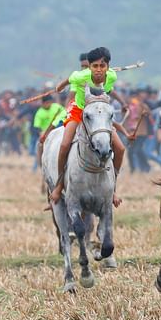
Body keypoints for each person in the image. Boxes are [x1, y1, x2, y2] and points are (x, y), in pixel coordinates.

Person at [49, 47, 133, 208]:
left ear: (108, 66)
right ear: (89, 67)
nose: (99, 70)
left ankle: (113, 188)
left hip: (98, 113)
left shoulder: (112, 77)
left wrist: (120, 104)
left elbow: (109, 92)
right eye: (95, 66)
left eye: (102, 66)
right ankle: (59, 185)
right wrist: (59, 87)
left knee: (120, 149)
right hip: (79, 111)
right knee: (65, 144)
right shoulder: (81, 76)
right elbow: (69, 79)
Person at [33, 95, 66, 168]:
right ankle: (39, 165)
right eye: (46, 103)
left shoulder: (57, 107)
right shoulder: (39, 113)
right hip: (46, 134)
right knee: (39, 145)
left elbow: (64, 114)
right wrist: (41, 133)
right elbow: (36, 126)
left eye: (50, 102)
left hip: (58, 130)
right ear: (43, 103)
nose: (48, 104)